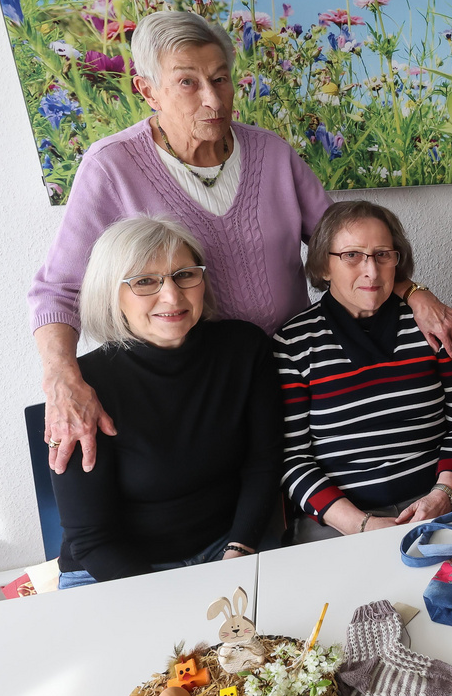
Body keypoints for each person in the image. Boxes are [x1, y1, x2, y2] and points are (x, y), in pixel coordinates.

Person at [29, 10, 452, 477]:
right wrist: (62, 377)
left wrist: (415, 294)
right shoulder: (111, 167)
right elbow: (58, 291)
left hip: (296, 373)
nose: (213, 98)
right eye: (188, 83)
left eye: (221, 78)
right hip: (195, 392)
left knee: (302, 493)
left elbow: (345, 248)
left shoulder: (270, 152)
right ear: (147, 90)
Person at [53, 217, 282, 588]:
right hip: (111, 571)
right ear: (112, 294)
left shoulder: (245, 348)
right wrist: (171, 598)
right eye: (145, 282)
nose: (172, 296)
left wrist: (239, 549)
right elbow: (92, 539)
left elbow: (263, 462)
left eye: (185, 275)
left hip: (227, 549)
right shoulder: (83, 388)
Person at [276, 201, 452, 539]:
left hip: (439, 500)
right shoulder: (294, 343)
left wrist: (443, 494)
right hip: (340, 519)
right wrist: (358, 524)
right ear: (323, 266)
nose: (371, 271)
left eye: (383, 254)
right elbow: (293, 457)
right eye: (352, 255)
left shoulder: (434, 325)